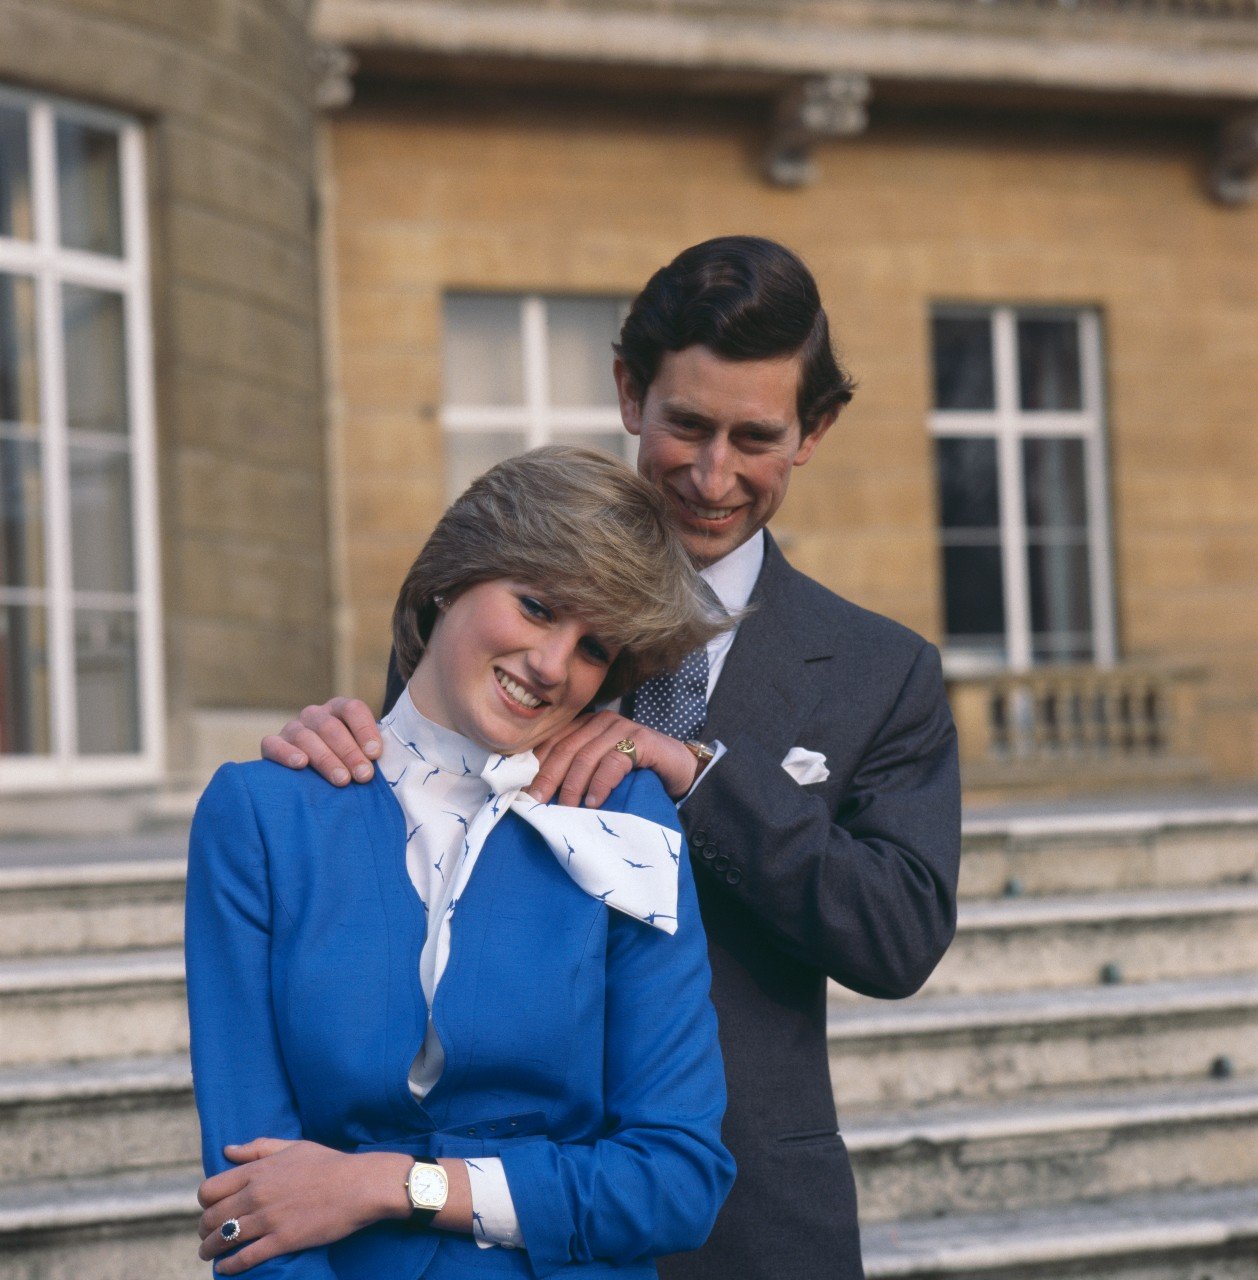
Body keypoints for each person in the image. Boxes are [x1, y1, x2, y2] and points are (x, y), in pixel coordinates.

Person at [262, 236, 962, 1280]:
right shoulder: (501, 607)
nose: (712, 473)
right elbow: (404, 835)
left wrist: (698, 774)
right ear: (630, 391)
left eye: (754, 436)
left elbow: (898, 935)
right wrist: (335, 753)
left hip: (751, 1216)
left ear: (813, 432)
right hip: (497, 1217)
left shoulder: (883, 670)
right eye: (686, 423)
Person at [187, 446, 736, 1279]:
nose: (554, 667)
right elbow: (249, 1197)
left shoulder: (626, 817)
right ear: (449, 579)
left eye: (594, 648)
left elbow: (677, 1180)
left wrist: (392, 1186)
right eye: (537, 606)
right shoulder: (262, 816)